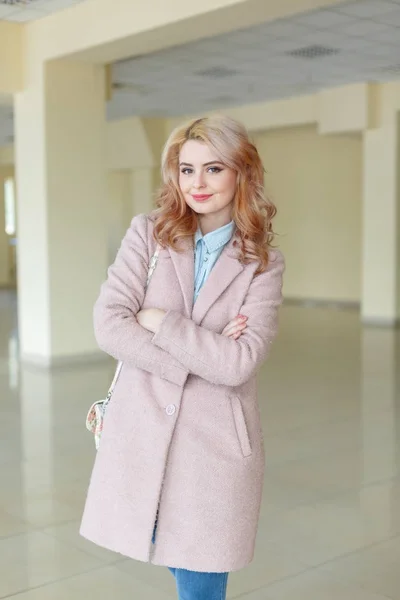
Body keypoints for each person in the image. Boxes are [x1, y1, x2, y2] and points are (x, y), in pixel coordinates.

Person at [80, 115, 284, 600]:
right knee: (166, 551)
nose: (198, 183)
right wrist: (203, 348)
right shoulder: (148, 233)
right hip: (143, 427)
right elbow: (109, 323)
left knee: (200, 582)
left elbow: (239, 363)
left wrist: (159, 322)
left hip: (213, 446)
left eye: (213, 169)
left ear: (241, 173)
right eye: (186, 169)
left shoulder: (263, 262)